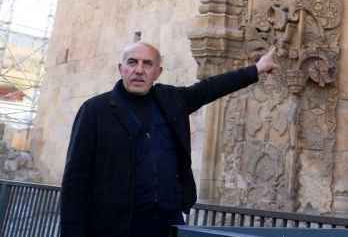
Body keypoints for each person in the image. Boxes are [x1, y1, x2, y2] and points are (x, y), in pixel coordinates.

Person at [60, 42, 278, 237]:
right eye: (132, 62)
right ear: (121, 68)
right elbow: (75, 179)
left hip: (166, 223)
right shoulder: (95, 110)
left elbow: (210, 87)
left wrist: (256, 69)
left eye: (147, 64)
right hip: (114, 226)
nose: (138, 70)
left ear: (157, 72)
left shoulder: (171, 101)